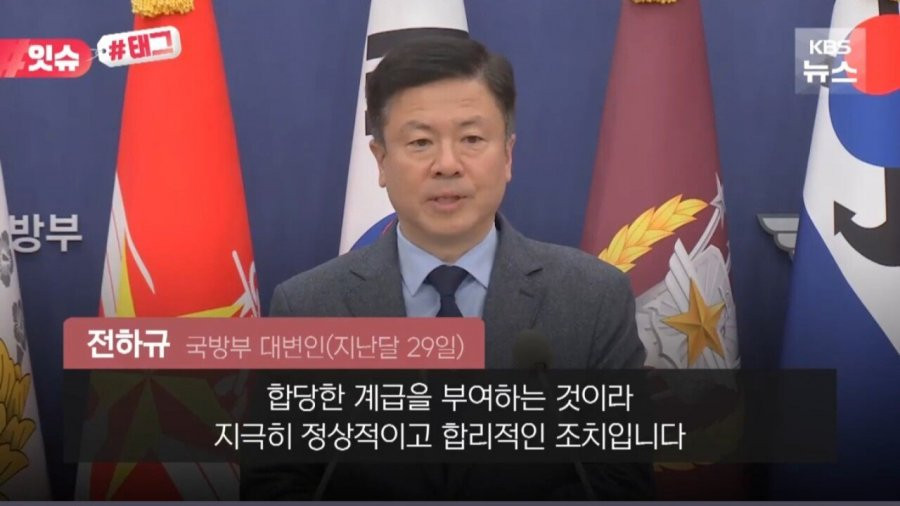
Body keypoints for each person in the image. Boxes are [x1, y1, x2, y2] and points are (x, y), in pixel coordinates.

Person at [241, 36, 651, 500]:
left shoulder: (592, 300)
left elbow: (621, 486)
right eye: (420, 142)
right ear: (381, 161)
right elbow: (276, 486)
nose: (447, 165)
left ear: (508, 155)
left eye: (471, 139)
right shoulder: (309, 309)